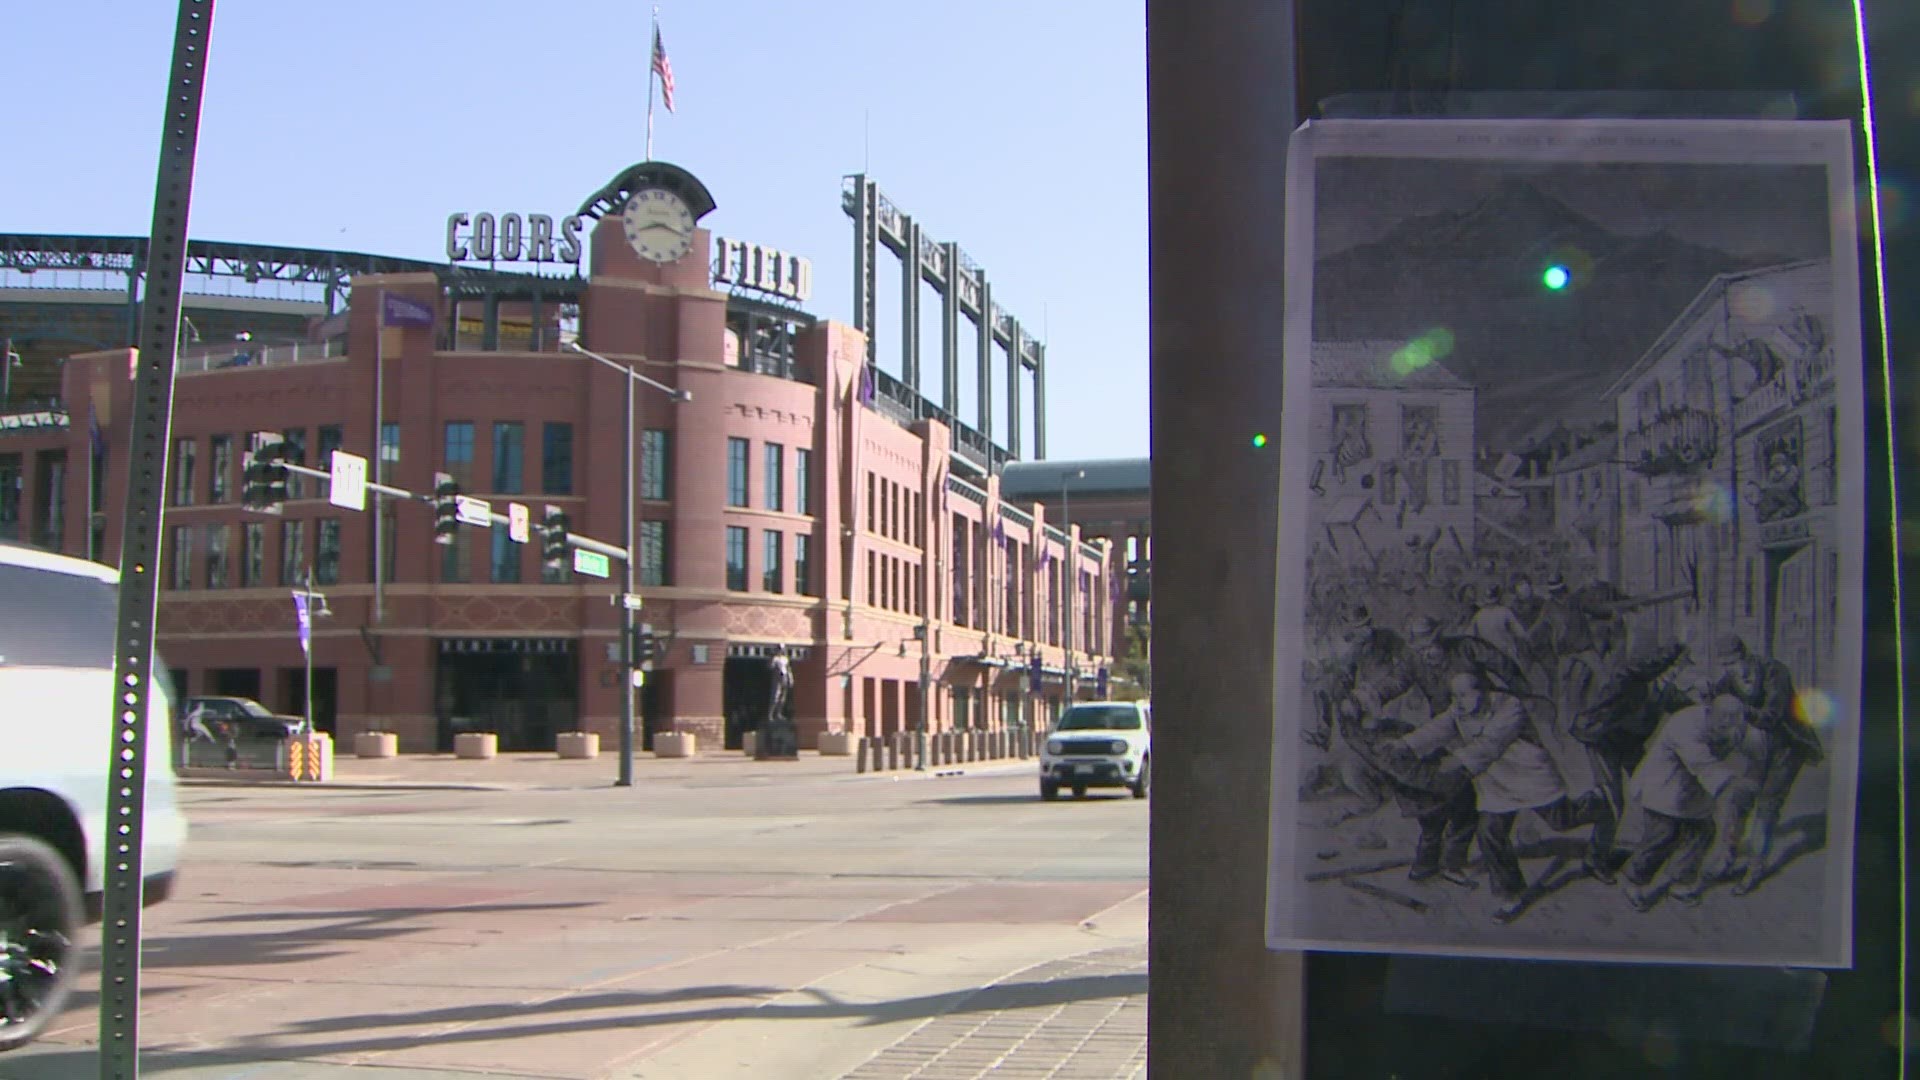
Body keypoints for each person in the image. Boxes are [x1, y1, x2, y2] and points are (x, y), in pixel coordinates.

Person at [1399, 671, 1617, 923]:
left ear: (1483, 690)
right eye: (1455, 695)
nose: (1458, 701)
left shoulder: (1509, 706)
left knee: (1562, 821)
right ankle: (1511, 895)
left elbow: (1491, 744)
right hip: (1496, 783)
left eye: (1464, 694)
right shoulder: (1459, 710)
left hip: (1529, 776)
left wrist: (1457, 759)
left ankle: (1598, 804)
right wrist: (1405, 743)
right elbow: (1437, 728)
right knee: (1490, 833)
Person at [1620, 694, 1760, 910]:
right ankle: (1634, 881)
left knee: (1701, 833)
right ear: (1709, 711)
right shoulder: (1685, 723)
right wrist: (1733, 784)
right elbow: (1702, 764)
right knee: (1663, 835)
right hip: (1665, 785)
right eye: (1723, 717)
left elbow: (1753, 747)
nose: (1727, 722)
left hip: (1693, 792)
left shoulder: (1735, 727)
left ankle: (1676, 883)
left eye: (1733, 718)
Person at [1712, 635, 1823, 895]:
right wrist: (1709, 694)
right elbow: (1718, 696)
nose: (1730, 670)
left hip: (1787, 747)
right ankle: (1727, 858)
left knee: (1767, 806)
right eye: (1725, 665)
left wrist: (1740, 709)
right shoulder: (1730, 679)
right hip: (1759, 748)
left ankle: (1755, 867)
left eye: (1734, 663)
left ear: (1745, 656)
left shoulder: (1775, 671)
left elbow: (1771, 717)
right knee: (1740, 799)